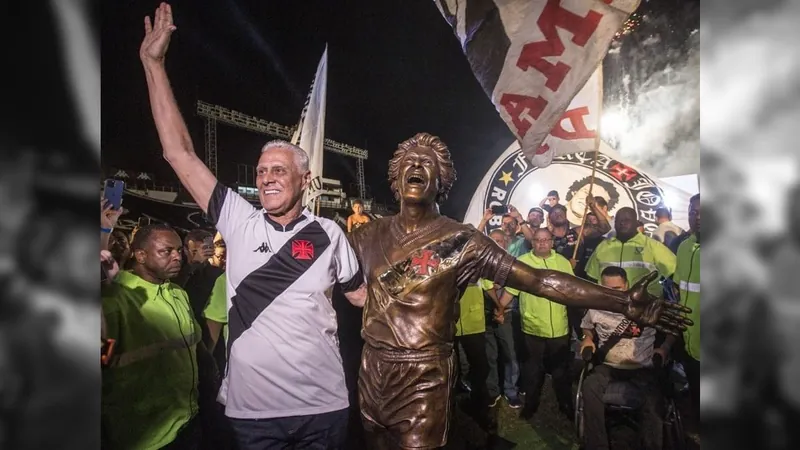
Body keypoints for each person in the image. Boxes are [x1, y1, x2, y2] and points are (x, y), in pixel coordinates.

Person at [348, 132, 691, 449]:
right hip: (373, 368)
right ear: (395, 177)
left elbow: (540, 280)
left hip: (423, 375)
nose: (417, 165)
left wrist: (618, 301)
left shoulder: (462, 242)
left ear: (441, 181)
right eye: (409, 160)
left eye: (427, 163)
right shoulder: (366, 237)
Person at [139, 5, 366, 448]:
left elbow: (362, 297)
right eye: (262, 172)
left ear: (304, 180)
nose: (266, 178)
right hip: (253, 415)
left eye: (278, 171)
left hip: (325, 407)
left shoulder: (330, 233)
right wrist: (153, 65)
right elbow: (179, 154)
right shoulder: (237, 219)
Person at [101, 224, 205, 450]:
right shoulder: (116, 299)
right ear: (140, 255)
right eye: (166, 252)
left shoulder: (178, 293)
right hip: (141, 436)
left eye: (179, 250)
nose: (177, 257)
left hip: (186, 422)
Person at [580, 266, 666, 450]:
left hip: (641, 365)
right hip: (609, 365)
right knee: (589, 387)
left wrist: (664, 348)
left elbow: (672, 332)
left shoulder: (648, 306)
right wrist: (587, 338)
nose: (612, 293)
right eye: (607, 288)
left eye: (617, 289)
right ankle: (597, 445)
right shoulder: (596, 307)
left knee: (653, 398)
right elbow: (586, 326)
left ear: (627, 285)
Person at [499, 228, 575, 422]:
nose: (542, 243)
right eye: (538, 240)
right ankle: (530, 405)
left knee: (560, 370)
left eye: (545, 240)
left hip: (559, 326)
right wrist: (500, 308)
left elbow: (573, 291)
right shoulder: (523, 263)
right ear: (532, 242)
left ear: (552, 242)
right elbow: (511, 290)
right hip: (532, 327)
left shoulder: (563, 263)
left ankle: (565, 404)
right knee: (532, 369)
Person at [660, 194, 701, 423]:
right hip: (688, 338)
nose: (698, 217)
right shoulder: (684, 247)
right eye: (693, 212)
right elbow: (678, 286)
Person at [586, 207, 676, 298]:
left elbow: (675, 274)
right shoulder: (603, 246)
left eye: (627, 220)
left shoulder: (652, 246)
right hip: (609, 305)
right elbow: (592, 278)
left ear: (636, 223)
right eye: (618, 220)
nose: (622, 223)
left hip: (643, 306)